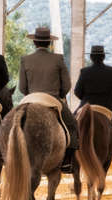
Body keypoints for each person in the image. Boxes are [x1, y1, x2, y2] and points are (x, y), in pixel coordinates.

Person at [19, 27, 79, 173]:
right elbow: (67, 85)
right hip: (52, 99)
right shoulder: (58, 59)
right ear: (49, 44)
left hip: (30, 99)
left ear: (34, 42)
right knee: (72, 125)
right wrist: (59, 95)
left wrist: (31, 95)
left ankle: (7, 158)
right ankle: (67, 161)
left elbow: (22, 87)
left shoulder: (25, 59)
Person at [74, 45, 112, 168]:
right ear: (103, 57)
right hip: (106, 106)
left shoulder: (84, 71)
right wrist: (111, 100)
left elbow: (77, 91)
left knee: (71, 125)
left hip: (86, 105)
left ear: (91, 57)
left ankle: (68, 158)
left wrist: (85, 100)